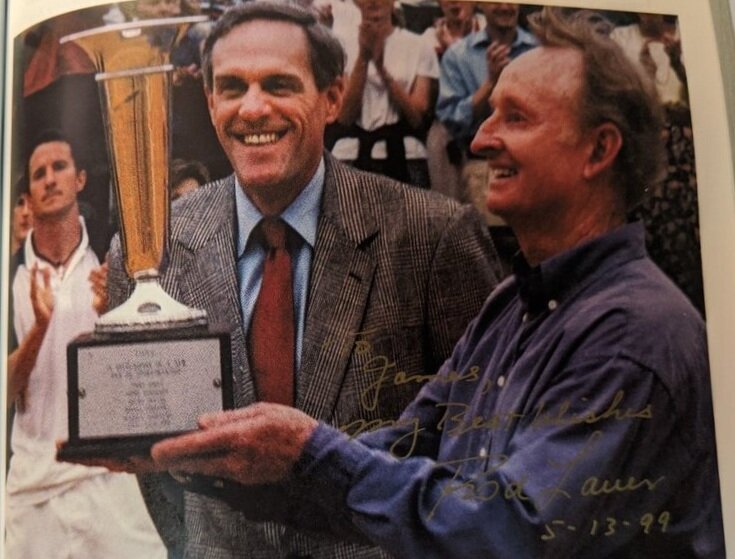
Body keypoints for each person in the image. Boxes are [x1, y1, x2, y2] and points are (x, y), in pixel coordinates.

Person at [147, 8, 725, 558]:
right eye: (490, 112)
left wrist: (306, 450)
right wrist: (217, 461)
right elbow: (409, 445)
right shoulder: (517, 304)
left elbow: (511, 534)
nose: (480, 140)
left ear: (600, 149)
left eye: (515, 118)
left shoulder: (633, 335)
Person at [100, 3, 500, 558]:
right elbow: (153, 466)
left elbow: (481, 439)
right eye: (232, 87)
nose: (253, 108)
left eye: (280, 85)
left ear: (332, 98)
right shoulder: (149, 254)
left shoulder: (432, 236)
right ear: (210, 101)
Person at [5, 130, 166, 558]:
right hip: (33, 487)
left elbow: (147, 377)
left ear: (79, 179)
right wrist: (40, 327)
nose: (50, 178)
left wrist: (110, 316)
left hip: (108, 476)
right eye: (39, 174)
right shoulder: (9, 279)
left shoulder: (115, 262)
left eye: (59, 167)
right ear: (29, 196)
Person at [436, 1, 536, 225]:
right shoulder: (458, 56)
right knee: (489, 250)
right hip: (484, 169)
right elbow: (451, 120)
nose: (505, 6)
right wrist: (490, 83)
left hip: (534, 167)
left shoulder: (538, 51)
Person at [328, 0, 439, 188]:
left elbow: (417, 119)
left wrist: (382, 70)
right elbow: (344, 116)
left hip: (406, 155)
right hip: (351, 155)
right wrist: (363, 57)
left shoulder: (419, 46)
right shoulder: (339, 46)